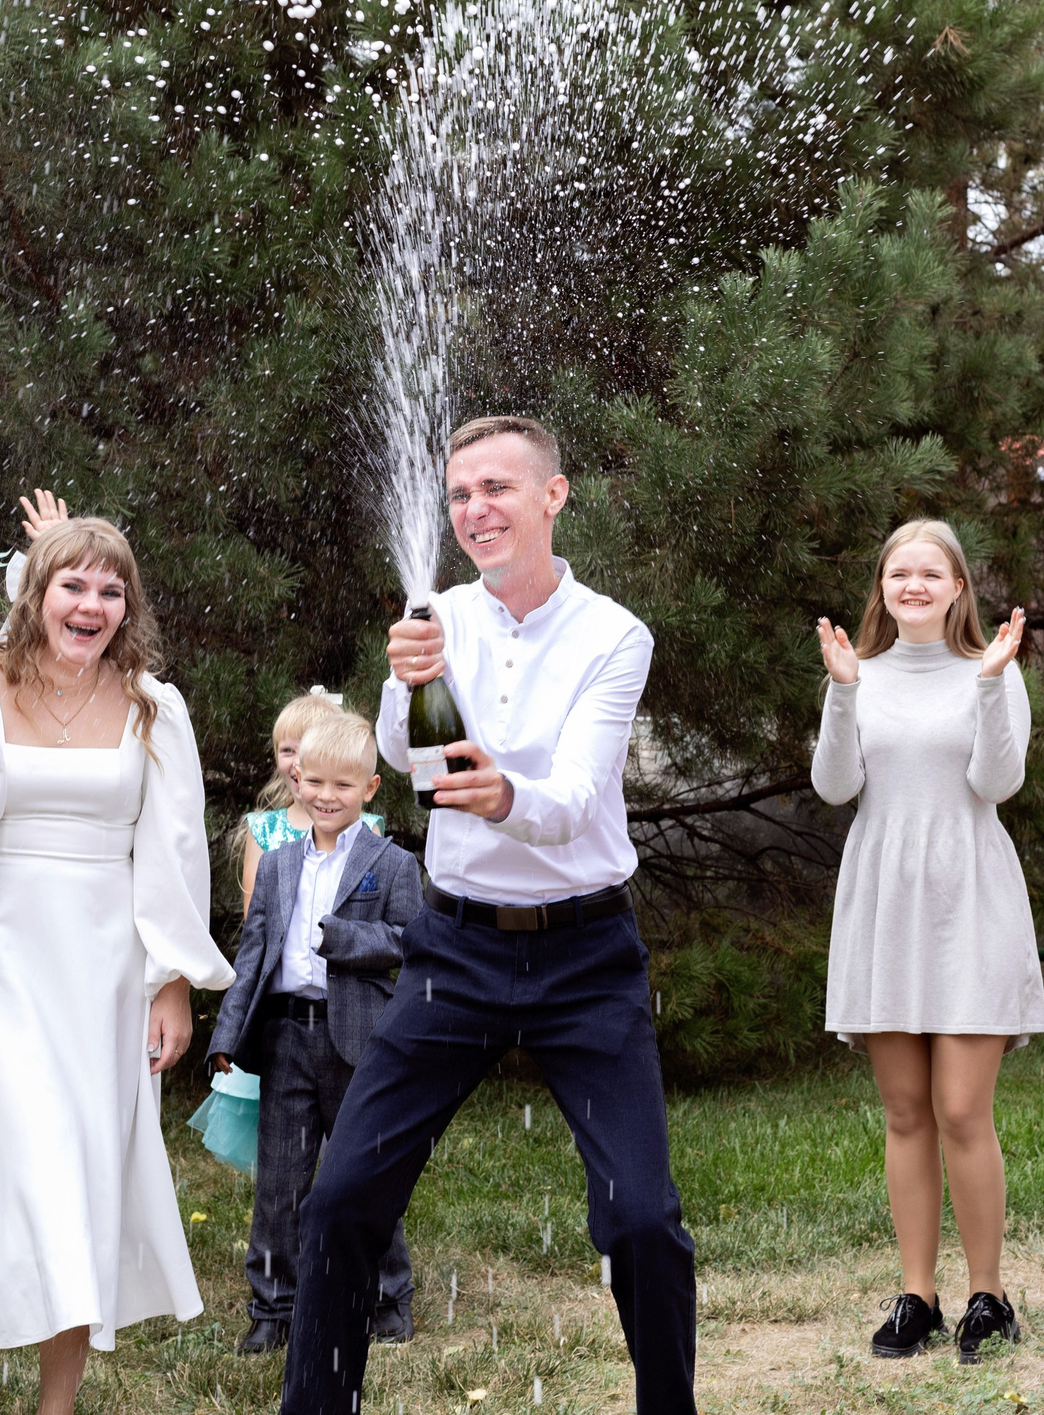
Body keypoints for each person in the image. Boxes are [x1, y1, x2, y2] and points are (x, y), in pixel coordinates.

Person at [283, 414, 696, 1415]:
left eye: (497, 489)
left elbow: (569, 800)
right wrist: (410, 682)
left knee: (641, 1221)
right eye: (461, 494)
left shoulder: (614, 636)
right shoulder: (439, 615)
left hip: (585, 956)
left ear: (552, 496)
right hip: (453, 950)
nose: (475, 511)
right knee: (341, 1201)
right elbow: (406, 757)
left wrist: (504, 796)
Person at [0, 517, 234, 1415]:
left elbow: (172, 848)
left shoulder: (153, 704)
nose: (91, 605)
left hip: (99, 965)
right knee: (4, 1159)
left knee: (77, 1166)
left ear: (126, 607)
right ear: (37, 593)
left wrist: (171, 978)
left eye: (110, 590)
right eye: (74, 586)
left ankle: (55, 1403)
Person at [813, 519, 1035, 1363]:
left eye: (929, 572)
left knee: (959, 1110)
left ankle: (990, 1295)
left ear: (956, 588)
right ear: (882, 587)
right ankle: (918, 1296)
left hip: (970, 895)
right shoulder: (856, 674)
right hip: (884, 900)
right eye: (897, 571)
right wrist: (840, 691)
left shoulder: (992, 671)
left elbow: (996, 781)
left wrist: (987, 686)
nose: (912, 584)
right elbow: (835, 785)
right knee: (905, 1111)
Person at [209, 708, 423, 1355]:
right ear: (296, 778)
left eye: (343, 785)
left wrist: (345, 937)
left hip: (360, 1040)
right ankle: (274, 1305)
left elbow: (415, 940)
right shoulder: (276, 865)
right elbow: (253, 955)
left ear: (370, 789)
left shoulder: (390, 863)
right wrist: (227, 1034)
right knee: (280, 1180)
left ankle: (387, 1295)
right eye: (315, 782)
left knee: (362, 1170)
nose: (326, 796)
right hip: (287, 1038)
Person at [235, 689, 382, 914]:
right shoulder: (262, 829)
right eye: (287, 750)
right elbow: (254, 920)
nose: (297, 762)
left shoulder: (366, 828)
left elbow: (373, 912)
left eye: (307, 750)